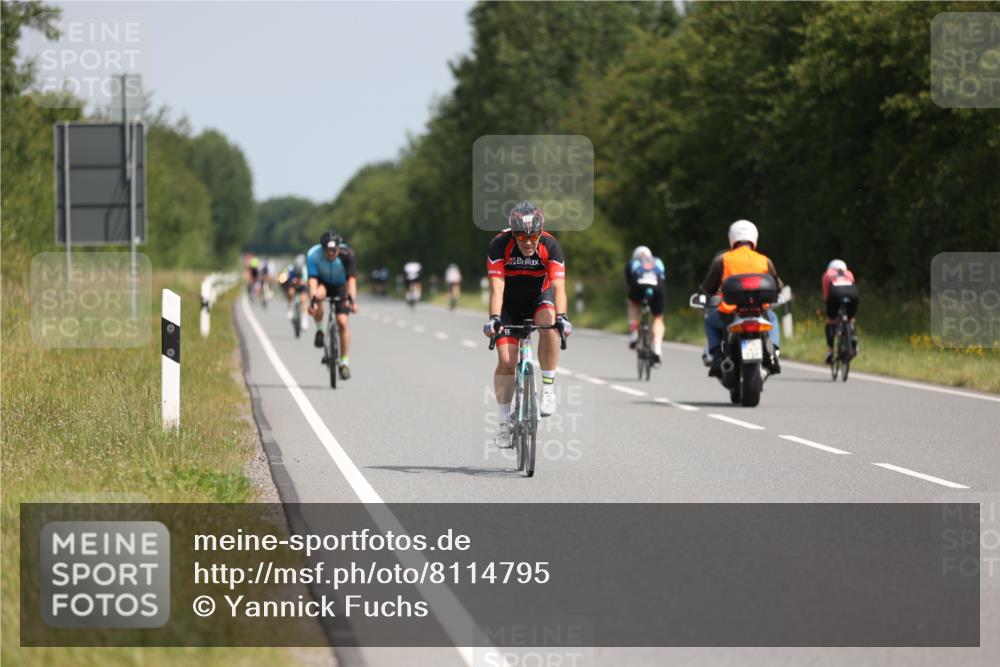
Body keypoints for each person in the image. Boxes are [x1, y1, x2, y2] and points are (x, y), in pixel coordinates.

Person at [483, 201, 571, 448]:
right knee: (506, 361)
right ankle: (502, 423)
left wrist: (562, 317)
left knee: (551, 324)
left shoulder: (551, 246)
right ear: (513, 233)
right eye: (522, 236)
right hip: (508, 305)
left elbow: (558, 288)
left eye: (534, 236)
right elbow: (497, 288)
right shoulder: (499, 245)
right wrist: (494, 319)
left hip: (538, 299)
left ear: (541, 233)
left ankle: (548, 389)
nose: (529, 241)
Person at [698, 219, 782, 376]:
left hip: (729, 313)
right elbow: (777, 285)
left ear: (732, 238)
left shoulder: (723, 259)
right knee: (774, 319)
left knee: (710, 322)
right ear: (754, 238)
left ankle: (716, 357)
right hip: (760, 312)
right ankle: (773, 355)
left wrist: (705, 293)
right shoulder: (764, 260)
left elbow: (709, 287)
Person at [306, 231, 358, 380]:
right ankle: (320, 330)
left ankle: (344, 363)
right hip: (322, 284)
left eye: (334, 250)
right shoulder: (313, 255)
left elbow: (351, 282)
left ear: (338, 247)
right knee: (318, 296)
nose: (330, 254)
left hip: (341, 285)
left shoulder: (347, 254)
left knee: (342, 321)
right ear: (322, 248)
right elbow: (312, 282)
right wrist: (312, 302)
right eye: (327, 251)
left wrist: (352, 301)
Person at [625, 245, 666, 365]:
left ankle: (633, 332)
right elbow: (663, 277)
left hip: (638, 285)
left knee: (633, 304)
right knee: (658, 318)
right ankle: (657, 347)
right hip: (657, 287)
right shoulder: (658, 261)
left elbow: (629, 282)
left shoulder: (633, 262)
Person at [822, 259, 860, 364]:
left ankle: (830, 351)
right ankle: (853, 336)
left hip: (835, 293)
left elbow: (826, 296)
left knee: (830, 321)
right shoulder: (849, 273)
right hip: (853, 293)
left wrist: (830, 313)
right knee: (850, 318)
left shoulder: (827, 274)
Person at [281, 254, 310, 330]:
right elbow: (284, 279)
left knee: (304, 300)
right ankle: (290, 307)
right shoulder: (290, 269)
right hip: (293, 286)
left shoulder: (305, 270)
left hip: (302, 287)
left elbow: (307, 281)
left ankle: (304, 319)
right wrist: (290, 281)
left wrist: (302, 282)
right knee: (290, 292)